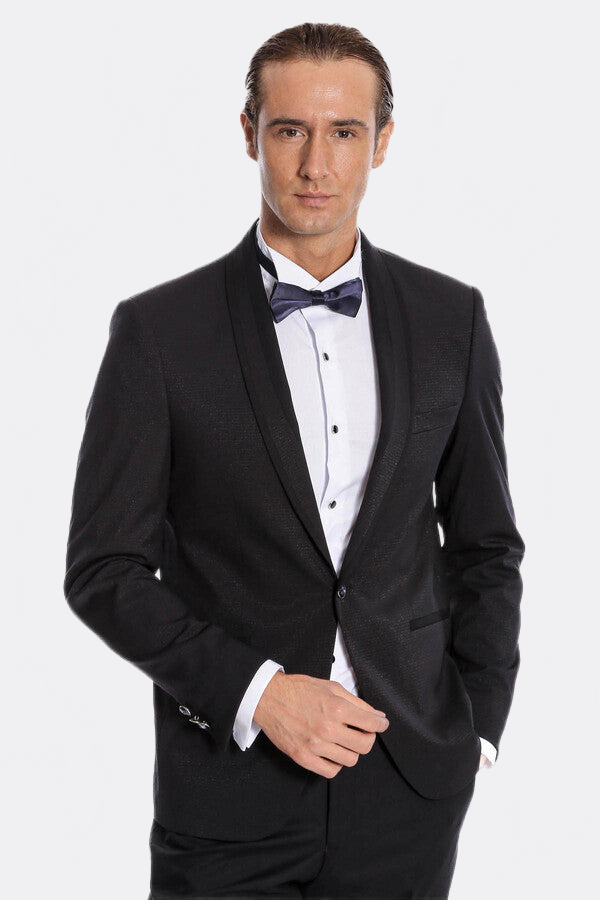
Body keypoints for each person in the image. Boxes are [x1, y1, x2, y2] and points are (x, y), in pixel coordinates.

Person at [63, 21, 525, 900]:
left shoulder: (451, 320)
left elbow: (486, 547)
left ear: (381, 142)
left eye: (344, 131)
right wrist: (258, 691)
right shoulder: (158, 333)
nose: (316, 165)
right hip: (229, 792)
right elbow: (104, 569)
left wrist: (476, 730)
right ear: (250, 135)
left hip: (409, 788)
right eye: (289, 130)